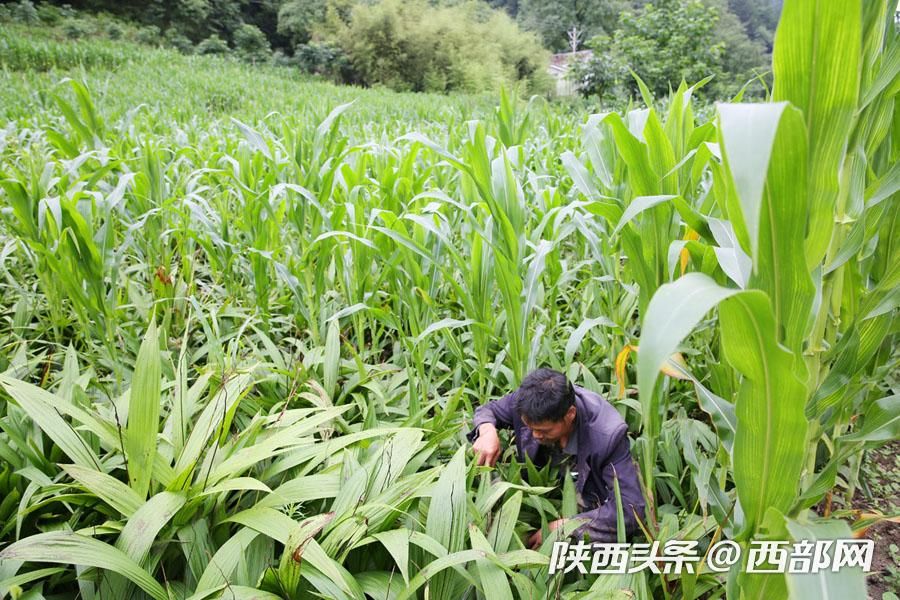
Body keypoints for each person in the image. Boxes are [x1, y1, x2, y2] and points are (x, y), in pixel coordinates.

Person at [467, 367, 645, 549]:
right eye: (530, 428)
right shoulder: (528, 401)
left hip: (586, 489)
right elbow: (489, 410)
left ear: (570, 415)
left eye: (544, 430)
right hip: (546, 479)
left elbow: (631, 509)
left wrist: (566, 526)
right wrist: (487, 431)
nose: (535, 435)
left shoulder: (607, 436)